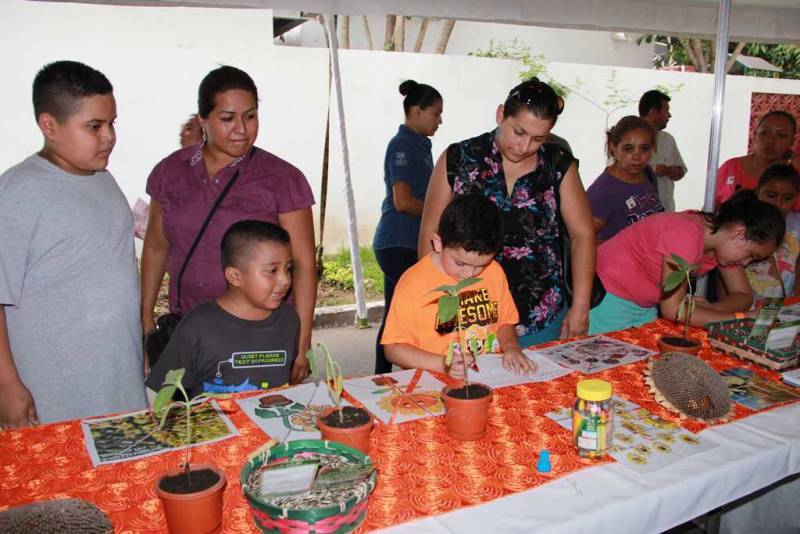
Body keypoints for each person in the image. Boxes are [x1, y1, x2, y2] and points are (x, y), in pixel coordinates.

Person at [140, 66, 316, 384]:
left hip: (259, 334)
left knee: (257, 417)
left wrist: (300, 346)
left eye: (250, 116)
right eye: (227, 118)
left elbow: (303, 266)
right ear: (202, 121)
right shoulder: (172, 172)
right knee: (187, 419)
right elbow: (156, 246)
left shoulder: (283, 179)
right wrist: (145, 317)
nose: (242, 130)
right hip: (186, 328)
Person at [0, 61, 146, 426]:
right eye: (94, 126)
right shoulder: (18, 193)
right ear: (49, 125)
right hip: (56, 397)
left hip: (118, 385)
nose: (109, 136)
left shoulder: (104, 180)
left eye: (112, 123)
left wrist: (137, 342)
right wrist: (6, 384)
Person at [418, 78, 596, 347]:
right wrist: (437, 299)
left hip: (541, 313)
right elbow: (429, 234)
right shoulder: (460, 158)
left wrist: (581, 305)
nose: (524, 146)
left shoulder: (557, 164)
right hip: (470, 309)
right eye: (518, 132)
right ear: (501, 114)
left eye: (538, 138)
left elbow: (582, 235)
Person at [588, 190, 785, 335]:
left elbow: (743, 296)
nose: (745, 263)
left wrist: (708, 310)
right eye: (750, 255)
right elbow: (674, 310)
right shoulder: (686, 234)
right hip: (608, 299)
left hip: (643, 306)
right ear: (739, 233)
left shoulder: (720, 243)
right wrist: (741, 319)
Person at [383, 195, 536, 378]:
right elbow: (393, 349)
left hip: (488, 377)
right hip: (434, 379)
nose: (470, 274)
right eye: (460, 263)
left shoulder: (494, 272)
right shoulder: (413, 282)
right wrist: (442, 364)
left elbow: (505, 321)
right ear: (438, 243)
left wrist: (511, 347)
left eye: (481, 265)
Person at [146, 220, 299, 397]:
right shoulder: (198, 325)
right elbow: (166, 393)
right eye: (272, 270)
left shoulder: (289, 320)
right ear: (235, 276)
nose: (285, 280)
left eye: (288, 269)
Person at [373, 80, 443, 374]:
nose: (440, 120)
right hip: (398, 240)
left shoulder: (419, 144)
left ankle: (383, 375)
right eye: (436, 113)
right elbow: (402, 201)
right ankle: (387, 374)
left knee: (396, 314)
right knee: (406, 314)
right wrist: (440, 213)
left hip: (406, 241)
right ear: (416, 110)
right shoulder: (402, 144)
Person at [587, 115, 664, 242]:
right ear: (614, 148)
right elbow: (582, 240)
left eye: (644, 149)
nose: (637, 156)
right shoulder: (603, 191)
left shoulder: (647, 174)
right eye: (628, 149)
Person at [716, 110, 798, 209]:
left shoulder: (794, 177)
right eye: (764, 133)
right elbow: (709, 211)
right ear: (755, 135)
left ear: (791, 142)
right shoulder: (730, 167)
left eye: (781, 136)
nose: (770, 141)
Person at [743, 165, 800, 304]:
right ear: (757, 192)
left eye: (787, 198)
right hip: (746, 307)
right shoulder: (742, 224)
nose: (778, 204)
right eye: (771, 195)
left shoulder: (797, 226)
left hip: (785, 308)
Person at [639, 90, 686, 212]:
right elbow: (615, 170)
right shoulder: (629, 137)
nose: (669, 115)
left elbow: (681, 170)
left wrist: (676, 171)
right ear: (654, 112)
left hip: (666, 210)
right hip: (639, 214)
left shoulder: (668, 139)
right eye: (666, 110)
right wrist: (652, 170)